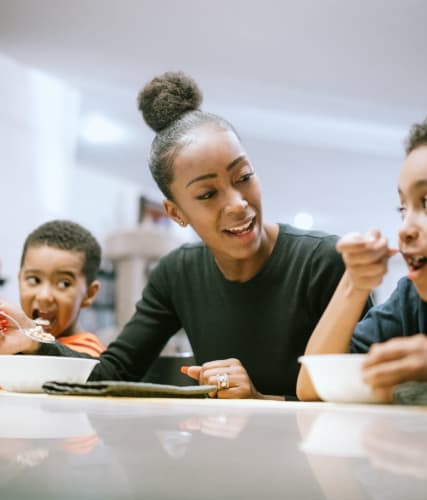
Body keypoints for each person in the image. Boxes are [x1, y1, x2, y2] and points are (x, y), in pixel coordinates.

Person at [0, 71, 371, 400]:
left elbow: (362, 392)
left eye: (243, 177)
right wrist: (36, 345)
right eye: (208, 194)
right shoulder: (176, 274)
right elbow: (114, 372)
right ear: (176, 212)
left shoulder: (324, 262)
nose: (238, 204)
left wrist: (261, 398)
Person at [297, 105, 427, 401]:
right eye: (403, 209)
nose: (405, 228)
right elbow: (312, 387)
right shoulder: (413, 299)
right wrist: (355, 282)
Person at [0, 220, 104, 357]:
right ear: (20, 280)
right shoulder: (12, 339)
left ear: (89, 294)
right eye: (34, 280)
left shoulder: (89, 354)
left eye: (64, 284)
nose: (44, 296)